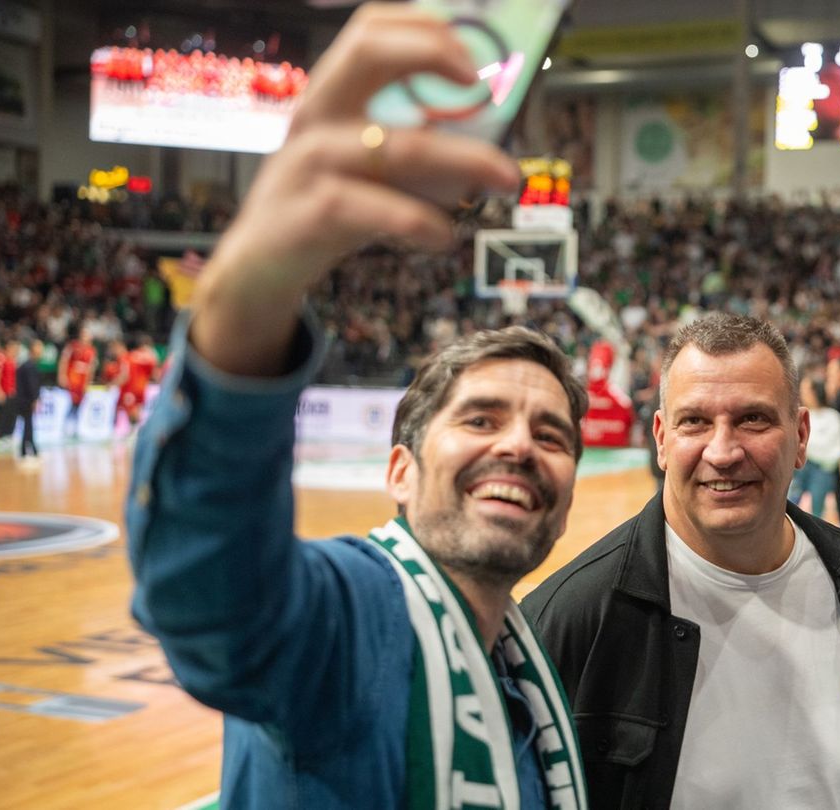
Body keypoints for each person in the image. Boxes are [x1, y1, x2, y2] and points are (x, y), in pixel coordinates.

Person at [126, 6, 590, 808]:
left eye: (551, 434)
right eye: (480, 419)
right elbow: (208, 594)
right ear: (399, 472)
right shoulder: (347, 618)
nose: (519, 444)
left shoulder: (527, 675)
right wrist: (247, 302)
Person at [523, 313, 840, 809]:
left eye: (753, 419)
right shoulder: (567, 623)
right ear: (660, 438)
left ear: (801, 436)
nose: (722, 452)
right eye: (695, 421)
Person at [790, 373, 840, 521]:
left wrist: (811, 450)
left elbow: (837, 450)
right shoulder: (797, 416)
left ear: (816, 391)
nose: (802, 393)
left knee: (817, 512)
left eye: (806, 390)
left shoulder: (833, 416)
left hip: (822, 469)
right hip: (800, 467)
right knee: (788, 501)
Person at [57, 327, 97, 435]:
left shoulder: (91, 351)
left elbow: (91, 368)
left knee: (79, 403)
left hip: (82, 381)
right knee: (69, 402)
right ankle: (64, 424)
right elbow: (64, 361)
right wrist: (62, 376)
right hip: (72, 379)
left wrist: (88, 382)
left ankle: (75, 425)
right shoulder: (72, 346)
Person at [14, 339, 43, 466]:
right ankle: (26, 452)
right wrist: (35, 399)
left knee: (28, 425)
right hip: (26, 400)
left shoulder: (27, 364)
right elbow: (32, 385)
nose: (41, 352)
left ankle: (28, 451)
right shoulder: (29, 366)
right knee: (28, 426)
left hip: (22, 400)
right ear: (33, 350)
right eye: (39, 348)